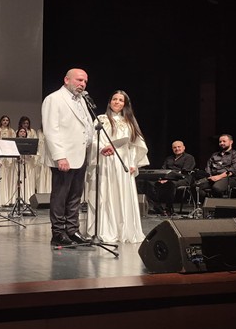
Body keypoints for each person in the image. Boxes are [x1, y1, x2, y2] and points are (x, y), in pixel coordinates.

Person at [85, 90, 149, 244]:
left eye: (121, 100)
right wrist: (102, 148)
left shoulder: (129, 122)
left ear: (125, 104)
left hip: (123, 163)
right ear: (110, 101)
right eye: (114, 99)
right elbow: (93, 140)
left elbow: (134, 145)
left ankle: (123, 231)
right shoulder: (101, 119)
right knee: (105, 192)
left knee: (122, 192)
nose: (117, 102)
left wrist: (133, 163)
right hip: (106, 161)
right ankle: (105, 230)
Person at [41, 68, 94, 246]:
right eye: (79, 80)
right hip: (64, 158)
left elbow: (86, 126)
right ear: (66, 80)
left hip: (80, 155)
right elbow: (51, 130)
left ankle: (72, 230)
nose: (82, 84)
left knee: (75, 196)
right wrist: (59, 156)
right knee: (60, 195)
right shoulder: (54, 99)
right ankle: (58, 232)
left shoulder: (82, 100)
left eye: (85, 82)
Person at [151, 140, 196, 216]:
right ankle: (158, 207)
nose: (177, 149)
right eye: (174, 147)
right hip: (167, 178)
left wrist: (168, 178)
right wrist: (162, 178)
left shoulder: (189, 158)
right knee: (154, 184)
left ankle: (169, 208)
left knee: (170, 184)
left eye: (179, 147)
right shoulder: (169, 158)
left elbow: (184, 172)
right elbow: (163, 170)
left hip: (183, 179)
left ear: (184, 148)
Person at [197, 134, 236, 199]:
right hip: (213, 178)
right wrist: (210, 176)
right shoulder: (214, 155)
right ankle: (208, 203)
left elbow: (233, 170)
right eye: (220, 142)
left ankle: (218, 205)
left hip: (229, 178)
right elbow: (208, 167)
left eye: (224, 141)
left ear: (231, 142)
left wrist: (219, 177)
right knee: (197, 186)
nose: (221, 143)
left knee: (216, 188)